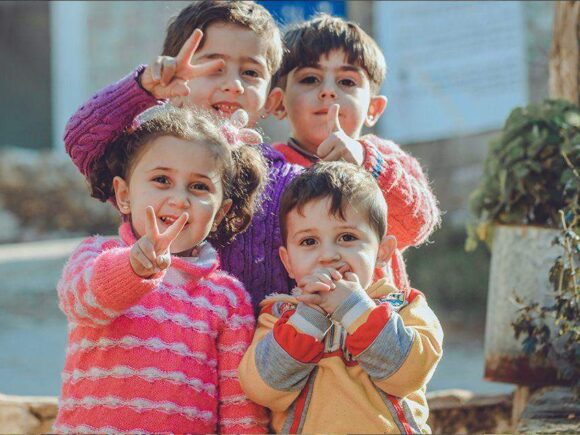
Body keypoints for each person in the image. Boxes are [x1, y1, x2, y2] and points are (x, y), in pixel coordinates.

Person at [64, 0, 439, 312]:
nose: (233, 84)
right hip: (156, 338)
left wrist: (364, 163)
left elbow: (404, 225)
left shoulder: (285, 176)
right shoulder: (152, 157)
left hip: (263, 353)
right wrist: (144, 89)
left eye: (250, 72)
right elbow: (84, 141)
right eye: (213, 67)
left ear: (272, 99)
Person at [54, 106, 269, 433]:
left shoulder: (227, 298)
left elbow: (239, 407)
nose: (179, 199)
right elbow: (81, 302)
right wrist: (134, 268)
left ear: (221, 212)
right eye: (162, 180)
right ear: (124, 195)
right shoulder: (97, 254)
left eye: (199, 187)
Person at [238, 162, 443, 434]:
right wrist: (309, 317)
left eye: (347, 237)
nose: (328, 256)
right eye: (309, 241)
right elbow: (262, 389)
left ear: (382, 252)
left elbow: (409, 375)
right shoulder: (279, 317)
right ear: (288, 262)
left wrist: (354, 308)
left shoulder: (404, 306)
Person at [271, 13, 440, 292]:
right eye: (310, 79)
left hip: (378, 312)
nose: (328, 91)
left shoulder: (385, 158)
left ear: (374, 108)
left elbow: (416, 225)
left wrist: (365, 161)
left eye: (347, 82)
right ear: (278, 103)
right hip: (302, 313)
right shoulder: (268, 168)